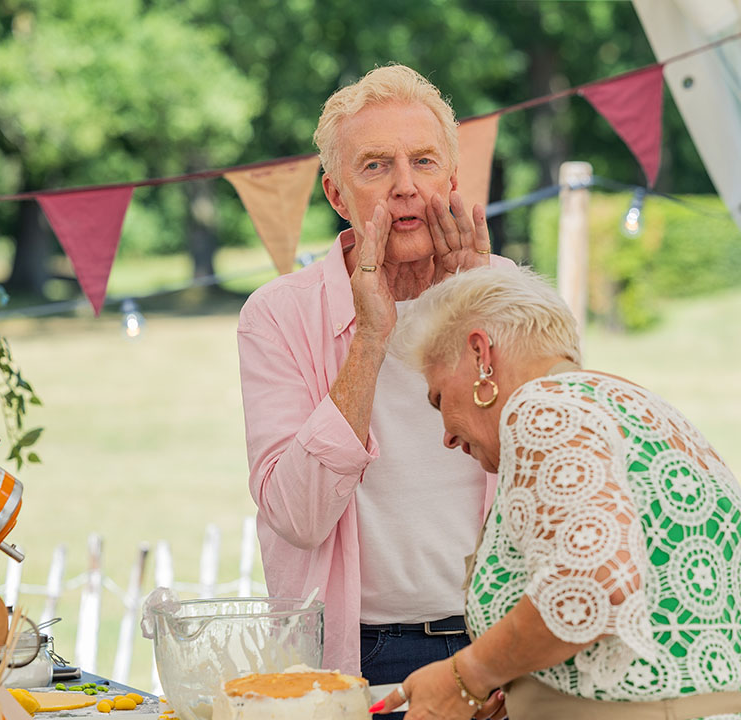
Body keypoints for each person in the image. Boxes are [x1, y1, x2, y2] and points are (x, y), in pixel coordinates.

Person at [378, 266, 741, 720]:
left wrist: (464, 678)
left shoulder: (542, 407)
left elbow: (590, 583)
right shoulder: (646, 410)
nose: (445, 435)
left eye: (439, 398)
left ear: (482, 355)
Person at [236, 64, 513, 712]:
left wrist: (475, 311)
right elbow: (298, 517)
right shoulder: (278, 315)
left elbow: (557, 470)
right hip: (357, 656)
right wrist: (370, 337)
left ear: (453, 178)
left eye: (423, 161)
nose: (405, 188)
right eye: (376, 167)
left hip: (502, 643)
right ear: (337, 194)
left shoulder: (511, 291)